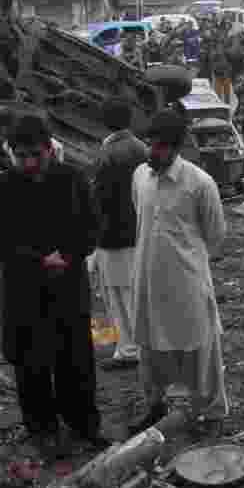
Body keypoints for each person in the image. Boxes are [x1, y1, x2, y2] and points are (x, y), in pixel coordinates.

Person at [0, 115, 105, 448]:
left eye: (35, 154)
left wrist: (69, 255)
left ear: (50, 149)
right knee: (31, 364)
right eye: (21, 156)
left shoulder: (72, 178)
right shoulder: (0, 186)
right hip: (25, 288)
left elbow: (91, 227)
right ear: (11, 153)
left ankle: (83, 424)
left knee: (76, 359)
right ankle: (42, 429)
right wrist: (38, 260)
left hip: (68, 283)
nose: (29, 162)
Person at [130, 110, 228, 435]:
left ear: (175, 148)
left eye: (158, 147)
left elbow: (215, 235)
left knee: (201, 349)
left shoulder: (200, 183)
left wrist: (183, 259)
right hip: (146, 278)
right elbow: (140, 218)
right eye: (149, 144)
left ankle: (212, 413)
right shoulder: (140, 177)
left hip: (187, 282)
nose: (151, 153)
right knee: (150, 347)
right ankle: (156, 407)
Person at [92, 98, 149, 370]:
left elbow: (100, 198)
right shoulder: (142, 149)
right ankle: (139, 346)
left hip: (112, 234)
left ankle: (127, 349)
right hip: (139, 231)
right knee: (134, 292)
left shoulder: (107, 153)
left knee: (115, 295)